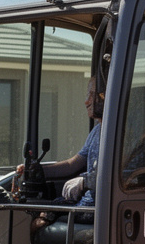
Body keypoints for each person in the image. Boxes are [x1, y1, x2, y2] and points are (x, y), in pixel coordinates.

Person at [40, 76, 103, 207]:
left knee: (39, 219)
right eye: (87, 95)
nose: (86, 102)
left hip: (99, 208)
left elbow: (129, 176)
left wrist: (85, 182)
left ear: (105, 96)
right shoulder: (97, 131)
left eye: (92, 95)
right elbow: (72, 165)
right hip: (85, 202)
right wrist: (38, 170)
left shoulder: (123, 134)